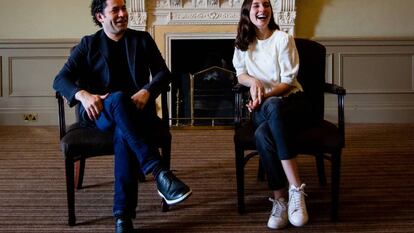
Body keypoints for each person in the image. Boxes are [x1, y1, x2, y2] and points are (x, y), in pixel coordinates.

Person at [53, 0, 192, 232]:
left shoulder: (141, 40)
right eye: (115, 10)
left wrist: (147, 91)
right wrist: (84, 95)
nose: (122, 14)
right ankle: (158, 172)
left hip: (136, 115)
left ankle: (123, 218)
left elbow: (163, 73)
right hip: (100, 114)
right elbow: (60, 80)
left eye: (123, 8)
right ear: (100, 17)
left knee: (122, 134)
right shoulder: (89, 44)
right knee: (117, 99)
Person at [233, 0, 311, 229]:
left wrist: (264, 96)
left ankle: (288, 194)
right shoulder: (243, 43)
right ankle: (288, 195)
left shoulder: (283, 39)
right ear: (248, 11)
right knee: (268, 115)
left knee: (262, 133)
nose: (262, 9)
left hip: (291, 105)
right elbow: (240, 74)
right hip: (261, 107)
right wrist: (254, 81)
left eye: (266, 4)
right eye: (256, 5)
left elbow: (288, 83)